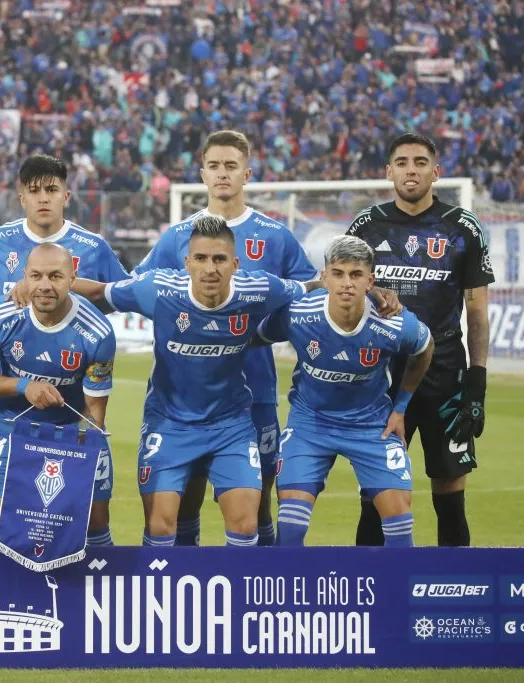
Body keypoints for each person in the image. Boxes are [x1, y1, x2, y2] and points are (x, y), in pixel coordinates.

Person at [71, 215, 316, 547]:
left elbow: (309, 289)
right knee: (160, 526)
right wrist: (43, 285)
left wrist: (367, 293)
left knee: (246, 525)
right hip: (169, 423)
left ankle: (238, 583)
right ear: (187, 262)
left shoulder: (259, 289)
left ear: (235, 264)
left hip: (230, 425)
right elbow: (101, 292)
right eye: (201, 258)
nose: (210, 268)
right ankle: (162, 582)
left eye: (219, 259)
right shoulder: (158, 289)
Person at [133, 130, 320, 547]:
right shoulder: (177, 236)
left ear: (246, 174)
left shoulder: (275, 236)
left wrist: (267, 331)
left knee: (258, 502)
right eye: (214, 166)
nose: (222, 174)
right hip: (185, 396)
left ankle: (261, 580)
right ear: (202, 174)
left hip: (255, 389)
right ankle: (188, 581)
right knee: (187, 499)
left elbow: (310, 299)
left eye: (231, 166)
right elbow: (141, 289)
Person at [347, 133, 494, 547]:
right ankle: (371, 586)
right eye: (402, 162)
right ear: (388, 171)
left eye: (420, 162)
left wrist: (477, 379)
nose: (411, 170)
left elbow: (477, 312)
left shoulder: (463, 228)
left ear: (436, 171)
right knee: (376, 496)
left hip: (444, 376)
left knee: (450, 493)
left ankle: (455, 583)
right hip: (380, 377)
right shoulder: (366, 226)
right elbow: (345, 294)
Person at [0, 154, 129, 503]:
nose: (43, 198)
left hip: (71, 401)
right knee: (6, 501)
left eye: (52, 190)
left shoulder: (92, 246)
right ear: (21, 197)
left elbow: (119, 294)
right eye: (34, 191)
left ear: (66, 195)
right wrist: (0, 300)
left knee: (70, 505)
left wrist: (58, 290)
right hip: (4, 401)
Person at [256, 236, 434, 546]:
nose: (347, 283)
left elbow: (425, 347)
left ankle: (399, 580)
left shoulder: (394, 323)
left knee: (399, 523)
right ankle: (286, 578)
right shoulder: (298, 313)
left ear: (370, 281)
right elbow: (253, 336)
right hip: (310, 424)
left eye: (356, 274)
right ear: (324, 277)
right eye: (338, 274)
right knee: (291, 525)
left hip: (371, 426)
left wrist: (401, 407)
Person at [0, 243, 116, 548]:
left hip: (71, 429)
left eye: (55, 276)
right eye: (36, 276)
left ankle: (98, 580)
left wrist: (80, 459)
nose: (45, 285)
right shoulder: (0, 315)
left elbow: (93, 412)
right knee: (0, 525)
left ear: (72, 278)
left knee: (95, 523)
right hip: (12, 426)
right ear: (25, 277)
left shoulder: (98, 332)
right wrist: (24, 386)